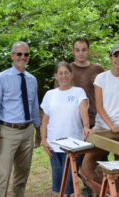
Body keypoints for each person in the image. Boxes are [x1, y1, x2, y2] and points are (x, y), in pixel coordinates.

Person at [0, 41, 41, 197]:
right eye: (19, 54)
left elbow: (34, 106)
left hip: (27, 132)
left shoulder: (32, 79)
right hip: (7, 132)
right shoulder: (1, 78)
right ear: (12, 56)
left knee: (22, 175)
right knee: (3, 175)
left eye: (26, 54)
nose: (23, 57)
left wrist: (37, 130)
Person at [54, 38, 104, 197]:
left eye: (84, 49)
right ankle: (84, 186)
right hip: (74, 122)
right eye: (77, 50)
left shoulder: (98, 69)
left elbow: (105, 94)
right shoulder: (67, 70)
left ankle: (99, 187)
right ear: (73, 51)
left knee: (99, 156)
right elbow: (58, 96)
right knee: (78, 158)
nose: (80, 53)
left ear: (89, 51)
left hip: (95, 119)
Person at [82, 44, 119, 182]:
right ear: (110, 58)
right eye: (115, 56)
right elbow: (99, 106)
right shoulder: (101, 78)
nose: (118, 59)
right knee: (85, 167)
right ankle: (102, 189)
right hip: (102, 127)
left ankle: (118, 190)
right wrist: (111, 125)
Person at [41, 61, 94, 197]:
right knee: (60, 182)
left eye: (66, 73)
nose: (63, 76)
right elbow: (45, 120)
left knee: (70, 180)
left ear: (71, 75)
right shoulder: (49, 94)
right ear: (56, 76)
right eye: (60, 73)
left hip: (73, 144)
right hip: (54, 144)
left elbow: (83, 111)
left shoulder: (78, 92)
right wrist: (44, 139)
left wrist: (86, 126)